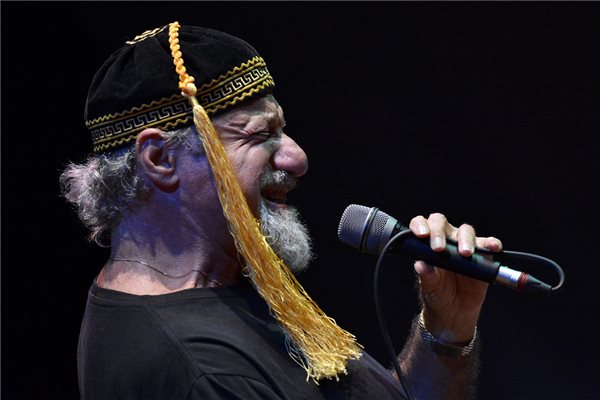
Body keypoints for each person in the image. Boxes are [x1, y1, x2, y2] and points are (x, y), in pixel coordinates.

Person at [61, 22, 503, 400]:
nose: (296, 158)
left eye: (282, 130)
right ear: (160, 159)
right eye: (259, 135)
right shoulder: (205, 372)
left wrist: (446, 331)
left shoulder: (230, 281)